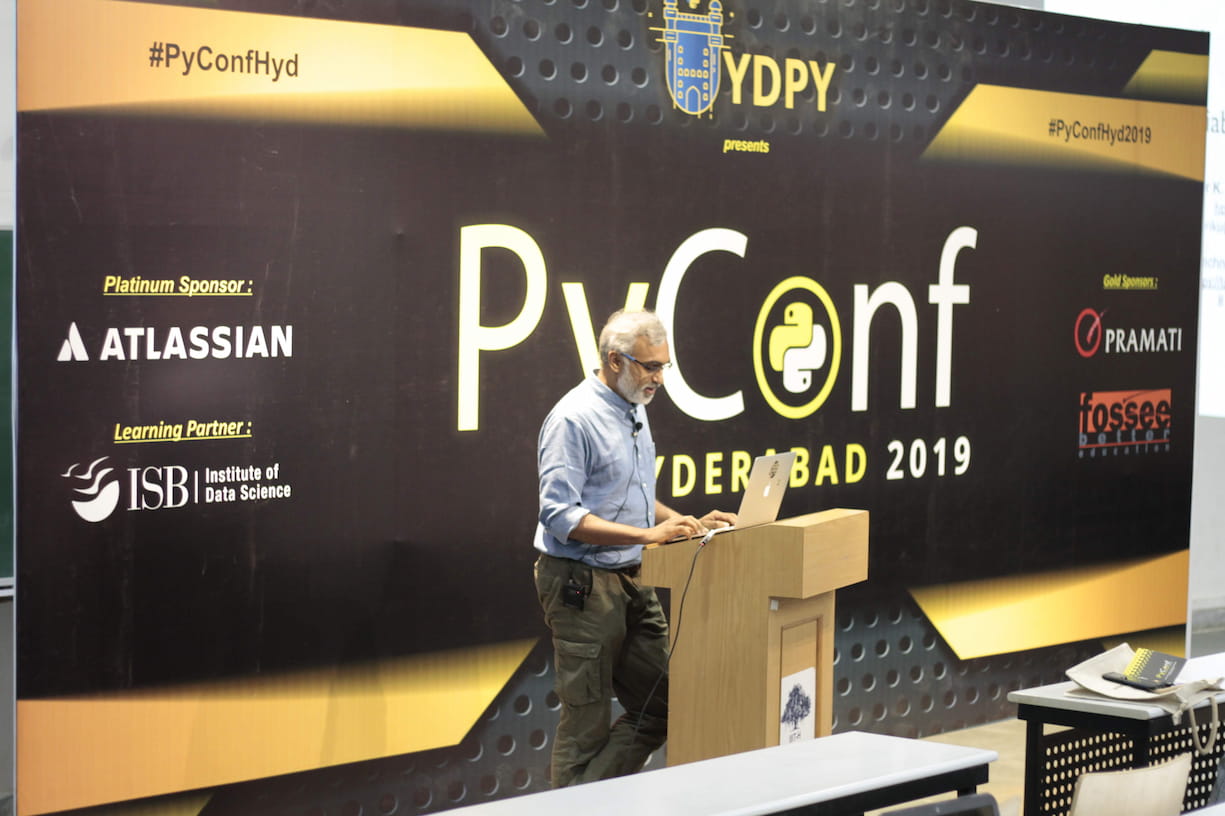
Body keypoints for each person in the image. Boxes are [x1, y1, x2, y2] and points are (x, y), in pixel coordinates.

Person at [533, 308, 737, 787]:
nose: (660, 378)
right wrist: (649, 536)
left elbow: (627, 495)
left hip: (634, 580)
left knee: (665, 707)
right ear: (614, 360)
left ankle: (588, 800)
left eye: (664, 365)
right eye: (650, 366)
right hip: (581, 585)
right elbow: (561, 516)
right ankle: (579, 804)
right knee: (585, 728)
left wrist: (681, 521)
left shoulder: (634, 409)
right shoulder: (573, 419)